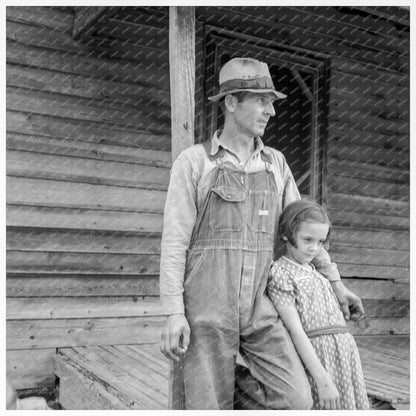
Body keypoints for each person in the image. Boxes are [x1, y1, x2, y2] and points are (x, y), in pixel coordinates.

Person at [159, 57, 364, 410]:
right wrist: (175, 313)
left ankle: (216, 385)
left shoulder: (275, 164)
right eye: (261, 100)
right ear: (231, 103)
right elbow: (175, 243)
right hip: (207, 308)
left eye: (271, 101)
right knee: (205, 404)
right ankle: (205, 388)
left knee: (297, 398)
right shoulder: (196, 163)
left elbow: (304, 229)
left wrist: (336, 283)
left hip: (260, 305)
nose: (271, 110)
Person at [268, 200, 370, 410]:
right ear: (287, 234)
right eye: (307, 239)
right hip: (319, 360)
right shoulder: (281, 273)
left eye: (321, 241)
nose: (314, 248)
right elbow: (296, 331)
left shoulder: (317, 272)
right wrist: (322, 380)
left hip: (345, 355)